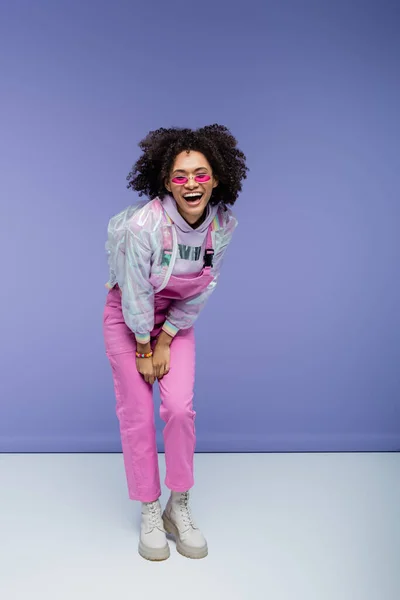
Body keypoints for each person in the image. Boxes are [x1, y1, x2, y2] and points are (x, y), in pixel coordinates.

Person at [103, 124, 248, 561]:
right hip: (130, 318)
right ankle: (148, 507)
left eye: (201, 174)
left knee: (180, 409)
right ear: (166, 181)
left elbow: (204, 288)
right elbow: (135, 292)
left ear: (217, 178)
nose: (191, 184)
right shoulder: (144, 225)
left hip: (174, 323)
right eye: (181, 176)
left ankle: (176, 504)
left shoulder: (222, 226)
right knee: (137, 415)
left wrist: (166, 339)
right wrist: (145, 347)